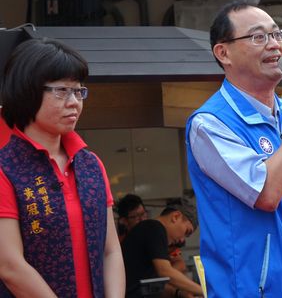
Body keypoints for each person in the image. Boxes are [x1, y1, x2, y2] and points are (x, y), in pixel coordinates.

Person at [186, 0, 282, 297]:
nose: (274, 45)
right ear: (224, 53)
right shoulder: (210, 124)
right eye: (259, 37)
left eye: (277, 35)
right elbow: (267, 193)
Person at [0, 38, 125, 297]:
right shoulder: (6, 167)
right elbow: (9, 265)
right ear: (28, 91)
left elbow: (110, 250)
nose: (74, 102)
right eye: (62, 91)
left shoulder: (91, 164)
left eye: (79, 91)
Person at [122, 202, 203, 298]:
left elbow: (152, 285)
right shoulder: (155, 228)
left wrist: (179, 293)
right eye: (186, 232)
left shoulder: (150, 230)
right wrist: (204, 292)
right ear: (176, 216)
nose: (182, 239)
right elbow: (165, 271)